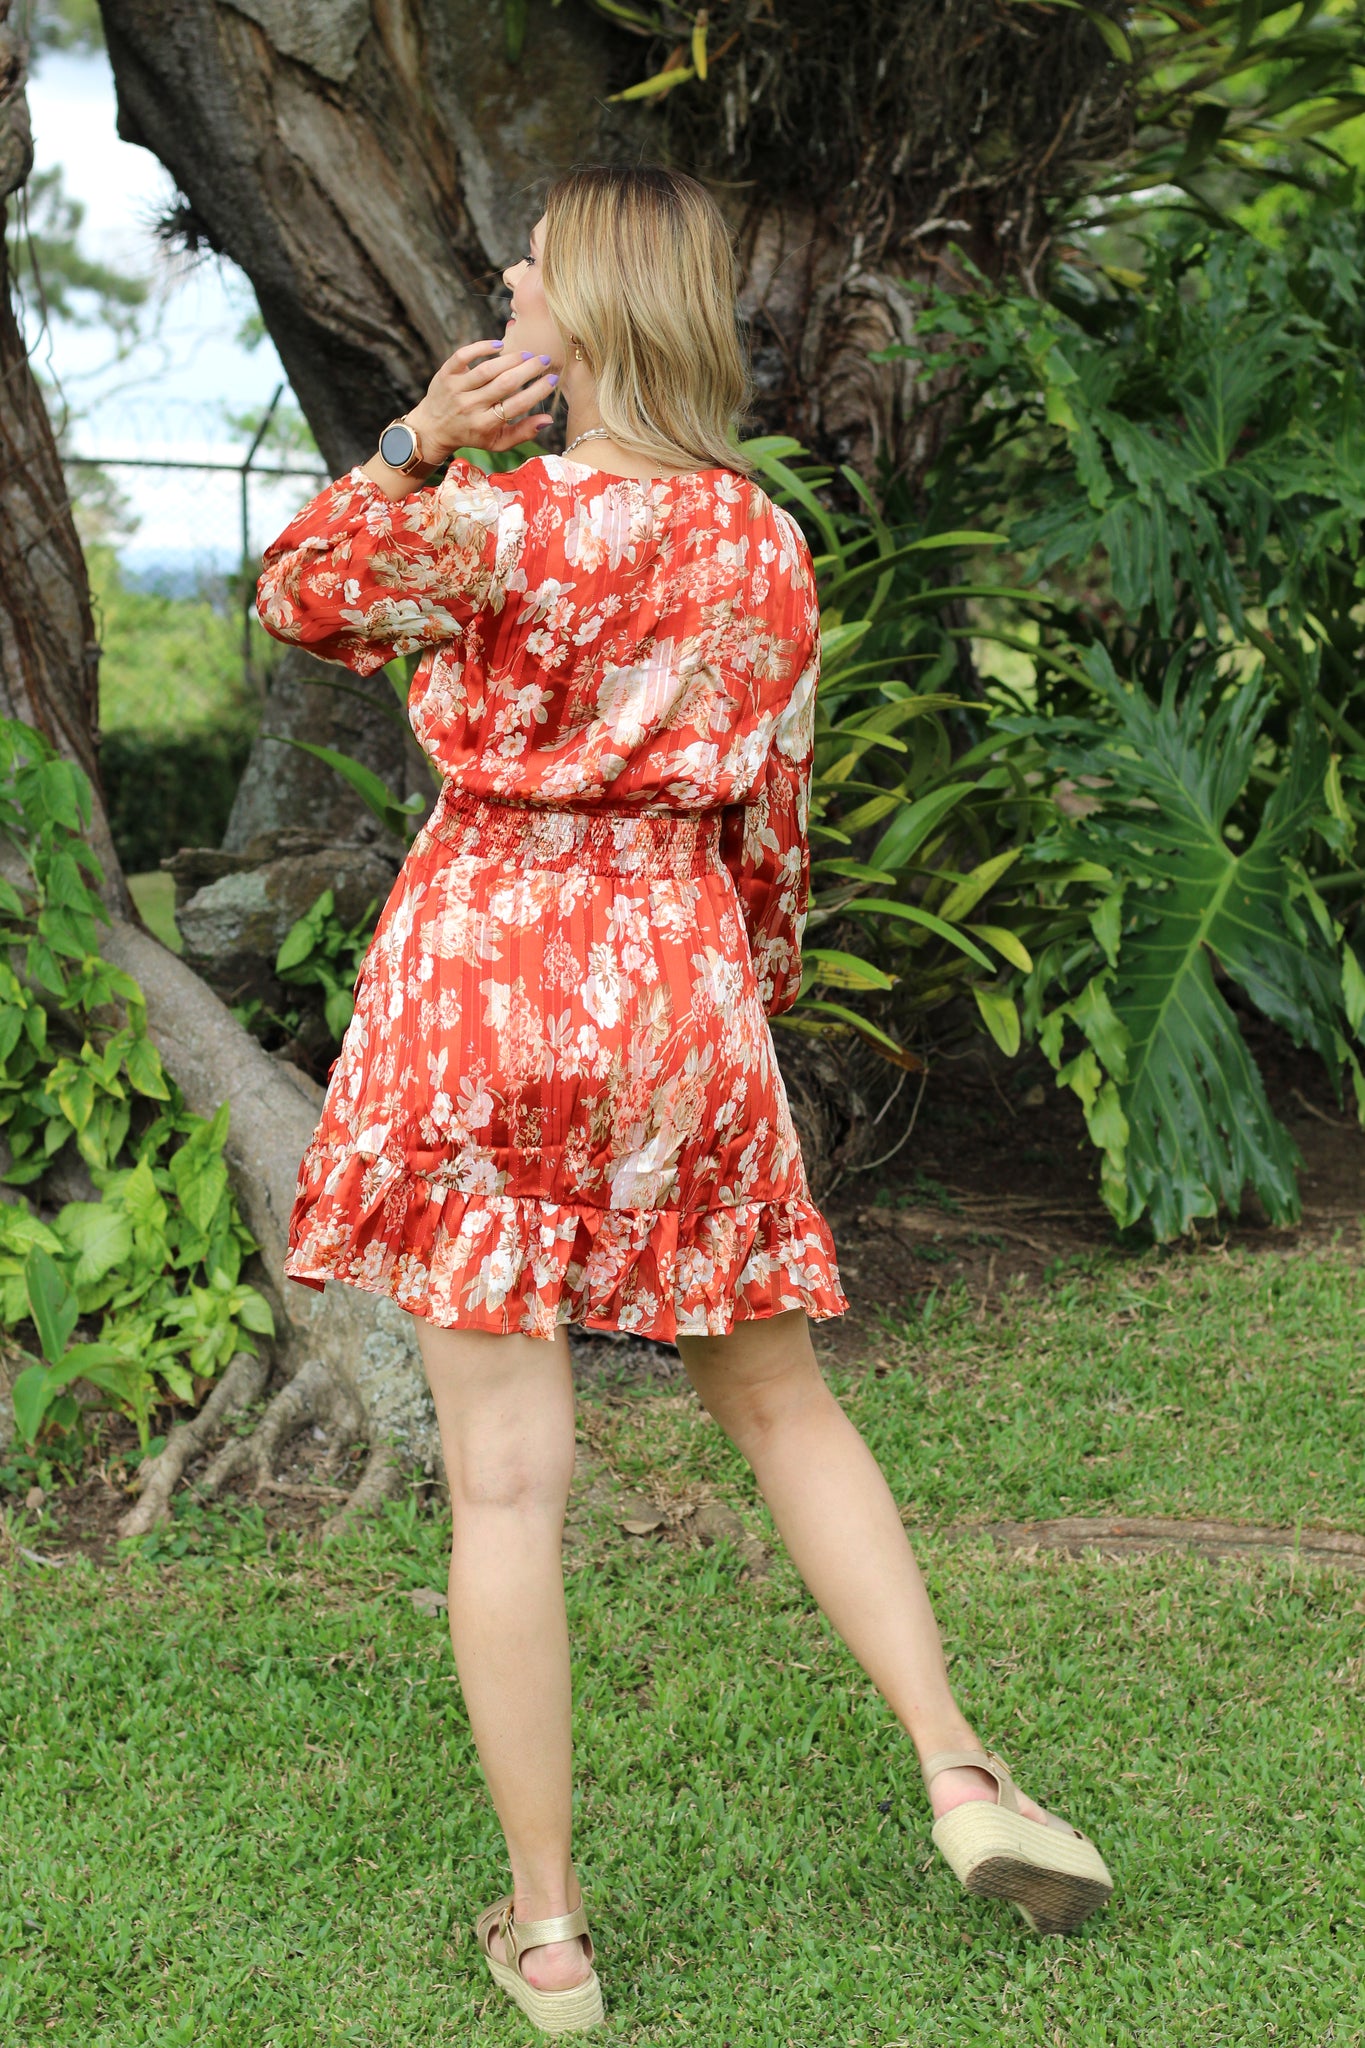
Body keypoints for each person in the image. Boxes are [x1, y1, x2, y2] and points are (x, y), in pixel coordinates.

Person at [256, 162, 1112, 2037]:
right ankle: (963, 1775)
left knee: (503, 1478)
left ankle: (550, 1936)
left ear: (591, 307)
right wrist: (729, 1017)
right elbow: (773, 835)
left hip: (480, 968)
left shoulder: (490, 523)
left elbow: (303, 597)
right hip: (674, 986)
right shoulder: (758, 546)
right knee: (783, 1402)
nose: (503, 273)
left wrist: (412, 438)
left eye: (532, 264)